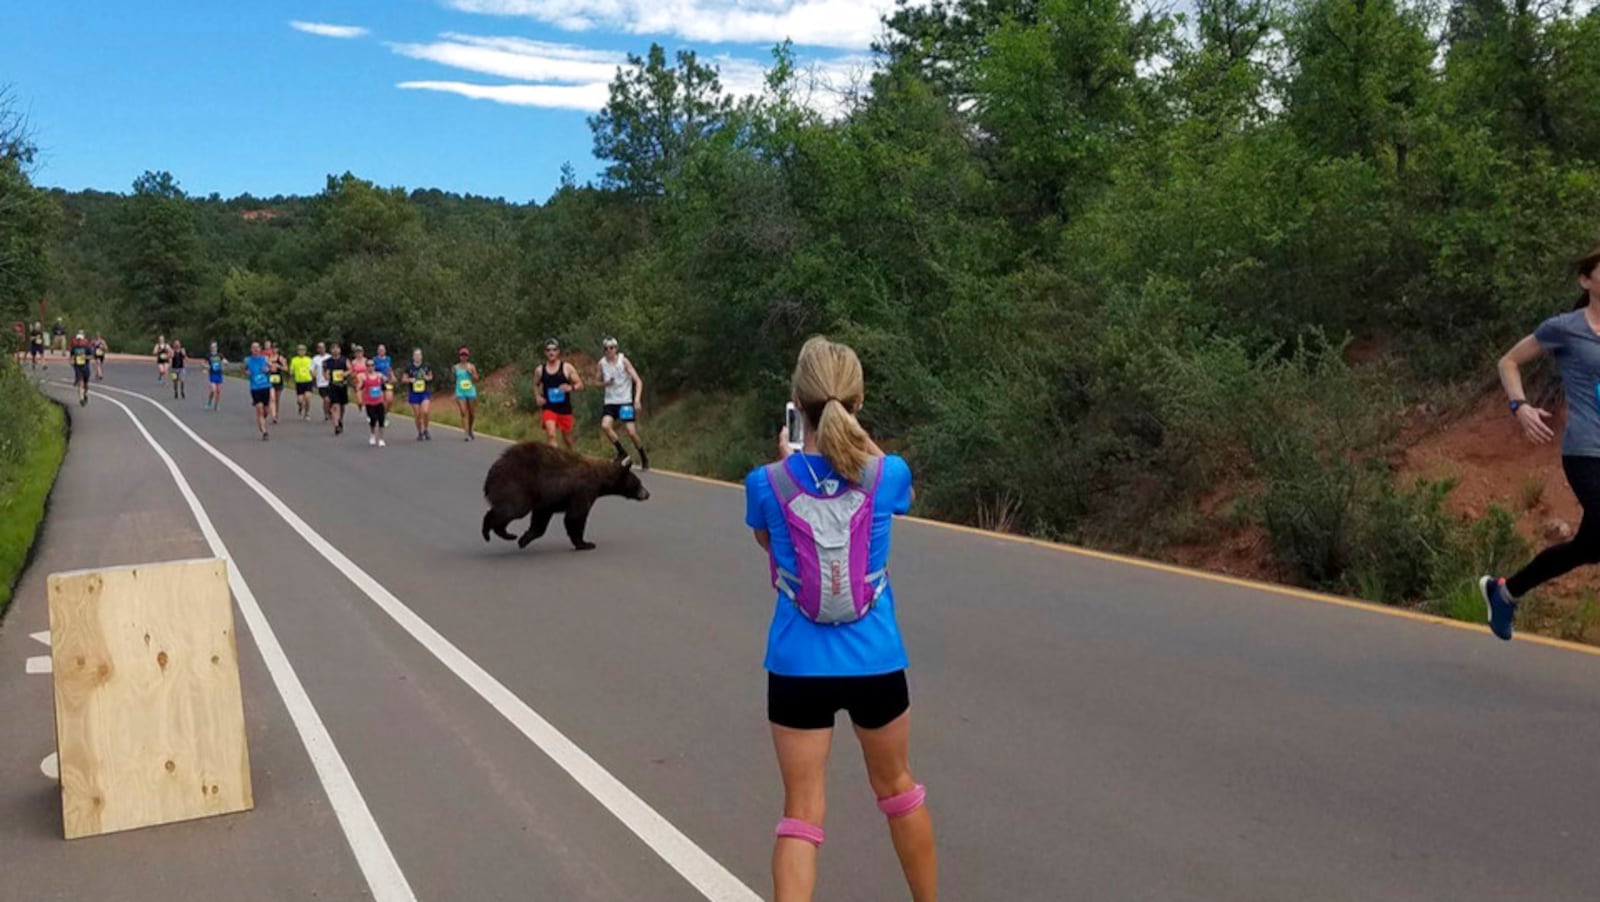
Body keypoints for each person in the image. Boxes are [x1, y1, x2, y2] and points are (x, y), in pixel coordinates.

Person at [744, 337, 936, 902]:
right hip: (876, 660)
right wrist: (852, 435)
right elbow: (902, 488)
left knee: (801, 812)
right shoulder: (888, 474)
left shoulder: (767, 483)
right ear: (857, 401)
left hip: (798, 664)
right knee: (899, 790)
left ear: (795, 404)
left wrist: (790, 461)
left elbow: (771, 546)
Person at [1483, 246, 1600, 641]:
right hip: (1585, 450)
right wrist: (1520, 406)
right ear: (1586, 281)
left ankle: (1506, 592)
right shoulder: (1565, 328)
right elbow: (1509, 362)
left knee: (1589, 548)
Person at [598, 337, 650, 469]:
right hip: (610, 401)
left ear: (616, 349)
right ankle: (622, 452)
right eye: (606, 348)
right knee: (605, 425)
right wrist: (605, 383)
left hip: (625, 401)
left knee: (631, 432)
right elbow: (597, 382)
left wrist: (637, 399)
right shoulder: (602, 363)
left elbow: (638, 381)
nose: (609, 351)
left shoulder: (623, 361)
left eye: (611, 348)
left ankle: (643, 455)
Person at [536, 338, 583, 450]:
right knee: (551, 435)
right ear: (545, 352)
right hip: (549, 407)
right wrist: (537, 396)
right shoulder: (540, 370)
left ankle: (573, 458)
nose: (551, 352)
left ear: (558, 352)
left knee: (567, 438)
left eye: (554, 350)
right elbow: (535, 384)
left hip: (564, 408)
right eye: (548, 350)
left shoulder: (567, 368)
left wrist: (570, 387)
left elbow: (580, 384)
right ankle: (555, 462)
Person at [245, 341, 272, 441]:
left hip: (265, 386)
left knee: (266, 411)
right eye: (253, 348)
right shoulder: (248, 360)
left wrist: (268, 369)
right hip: (255, 388)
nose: (256, 350)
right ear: (251, 350)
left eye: (257, 347)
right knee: (260, 409)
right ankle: (265, 432)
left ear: (260, 349)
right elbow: (244, 369)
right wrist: (246, 372)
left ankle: (262, 420)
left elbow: (272, 368)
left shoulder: (265, 359)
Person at [405, 348, 433, 441]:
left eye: (419, 355)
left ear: (421, 356)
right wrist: (410, 380)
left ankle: (426, 429)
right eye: (416, 355)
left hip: (424, 392)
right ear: (413, 357)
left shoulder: (426, 366)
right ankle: (420, 432)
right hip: (414, 393)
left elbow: (431, 376)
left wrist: (427, 378)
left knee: (425, 411)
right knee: (417, 415)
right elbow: (403, 379)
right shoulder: (409, 367)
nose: (417, 357)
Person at [454, 347, 480, 441]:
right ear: (459, 356)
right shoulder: (455, 367)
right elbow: (454, 379)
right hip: (460, 391)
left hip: (470, 391)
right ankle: (466, 434)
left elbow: (477, 378)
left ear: (468, 357)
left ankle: (470, 430)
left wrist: (471, 373)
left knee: (472, 413)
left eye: (465, 355)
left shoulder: (471, 366)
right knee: (463, 411)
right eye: (462, 355)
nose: (463, 357)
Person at [359, 363, 388, 447]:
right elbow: (360, 387)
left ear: (374, 367)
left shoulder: (379, 375)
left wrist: (388, 377)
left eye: (372, 365)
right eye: (368, 366)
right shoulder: (364, 377)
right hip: (369, 402)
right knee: (373, 419)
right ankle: (372, 435)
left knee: (381, 420)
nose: (370, 367)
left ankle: (381, 439)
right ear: (366, 367)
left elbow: (387, 381)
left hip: (379, 401)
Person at [325, 343, 349, 436]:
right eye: (333, 349)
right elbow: (326, 372)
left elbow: (350, 369)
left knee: (342, 407)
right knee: (335, 406)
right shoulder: (328, 361)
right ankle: (336, 426)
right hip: (333, 386)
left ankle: (340, 420)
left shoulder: (344, 360)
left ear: (340, 350)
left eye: (337, 348)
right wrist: (326, 376)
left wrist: (345, 374)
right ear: (331, 351)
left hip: (342, 386)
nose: (335, 350)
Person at [266, 341, 288, 424]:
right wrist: (268, 369)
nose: (274, 350)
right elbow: (265, 368)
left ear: (278, 349)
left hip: (278, 379)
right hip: (270, 379)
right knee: (272, 398)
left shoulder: (281, 358)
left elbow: (286, 369)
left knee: (277, 399)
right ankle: (273, 415)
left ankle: (276, 414)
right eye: (273, 348)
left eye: (276, 348)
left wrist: (279, 366)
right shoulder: (268, 358)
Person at [291, 344, 315, 420]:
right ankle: (300, 406)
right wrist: (291, 372)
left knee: (308, 398)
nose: (301, 351)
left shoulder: (309, 359)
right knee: (300, 400)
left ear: (305, 351)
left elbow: (312, 370)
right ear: (297, 351)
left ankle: (307, 413)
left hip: (308, 381)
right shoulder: (294, 359)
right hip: (299, 382)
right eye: (299, 350)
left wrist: (315, 377)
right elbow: (291, 369)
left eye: (303, 350)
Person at [69, 331, 92, 406]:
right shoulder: (74, 348)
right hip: (78, 367)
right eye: (78, 339)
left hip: (85, 367)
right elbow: (71, 357)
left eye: (80, 339)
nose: (79, 341)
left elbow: (91, 356)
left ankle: (84, 394)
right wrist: (71, 361)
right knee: (80, 383)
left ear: (83, 340)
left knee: (86, 385)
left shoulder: (87, 348)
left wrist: (86, 357)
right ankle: (81, 399)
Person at [311, 341, 331, 421]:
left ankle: (330, 411)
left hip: (330, 382)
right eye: (320, 348)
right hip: (321, 383)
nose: (321, 349)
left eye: (323, 347)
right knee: (326, 399)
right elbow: (311, 370)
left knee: (331, 399)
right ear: (317, 349)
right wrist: (315, 378)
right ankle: (326, 413)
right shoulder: (315, 359)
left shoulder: (329, 357)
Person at [374, 343, 396, 411]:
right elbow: (371, 371)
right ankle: (375, 414)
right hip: (377, 382)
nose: (381, 351)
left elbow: (389, 369)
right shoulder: (375, 359)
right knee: (379, 400)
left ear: (385, 351)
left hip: (387, 381)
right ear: (377, 351)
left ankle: (384, 415)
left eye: (383, 350)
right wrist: (379, 375)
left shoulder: (388, 359)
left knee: (389, 400)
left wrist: (392, 375)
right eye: (380, 350)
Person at [205, 343, 226, 411]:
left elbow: (224, 361)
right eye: (212, 347)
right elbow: (204, 363)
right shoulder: (209, 356)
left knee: (219, 391)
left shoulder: (220, 355)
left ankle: (216, 405)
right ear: (210, 348)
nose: (214, 348)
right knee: (213, 390)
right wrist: (206, 367)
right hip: (212, 374)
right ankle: (209, 402)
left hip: (219, 374)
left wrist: (225, 363)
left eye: (215, 347)